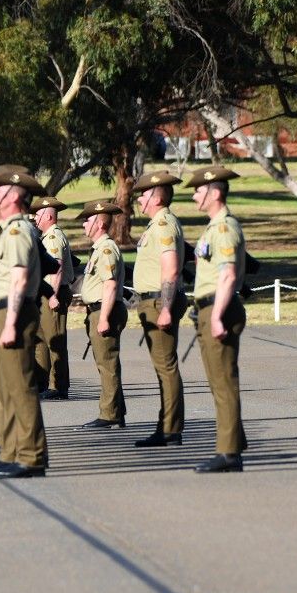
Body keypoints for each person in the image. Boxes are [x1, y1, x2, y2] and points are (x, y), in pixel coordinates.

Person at [0, 165, 48, 478]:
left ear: (14, 196)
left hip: (11, 312)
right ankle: (12, 451)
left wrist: (11, 323)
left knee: (21, 387)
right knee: (7, 388)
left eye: (0, 191)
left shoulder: (18, 230)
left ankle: (31, 456)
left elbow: (19, 278)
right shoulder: (3, 231)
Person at [185, 165, 248, 473]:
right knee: (217, 381)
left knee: (223, 383)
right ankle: (234, 441)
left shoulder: (223, 227)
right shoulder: (213, 227)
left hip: (219, 308)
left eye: (198, 190)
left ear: (214, 192)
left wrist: (218, 316)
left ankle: (229, 453)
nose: (195, 195)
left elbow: (228, 275)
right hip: (209, 307)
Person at [129, 171, 188, 447]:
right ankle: (165, 425)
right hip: (150, 302)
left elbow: (171, 268)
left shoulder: (164, 224)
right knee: (162, 367)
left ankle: (171, 429)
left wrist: (165, 308)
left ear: (156, 196)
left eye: (143, 193)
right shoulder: (157, 225)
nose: (139, 198)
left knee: (166, 367)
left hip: (158, 302)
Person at [77, 199, 128, 429]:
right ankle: (118, 410)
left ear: (98, 223)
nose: (83, 225)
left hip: (104, 310)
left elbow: (109, 285)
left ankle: (109, 414)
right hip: (99, 310)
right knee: (106, 363)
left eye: (86, 220)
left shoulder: (106, 249)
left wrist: (104, 317)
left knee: (107, 364)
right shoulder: (99, 248)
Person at [30, 196, 73, 400]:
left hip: (53, 294)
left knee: (55, 340)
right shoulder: (46, 237)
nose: (35, 218)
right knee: (41, 340)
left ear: (48, 215)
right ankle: (41, 382)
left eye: (38, 215)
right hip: (44, 293)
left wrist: (53, 296)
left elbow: (57, 268)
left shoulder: (54, 237)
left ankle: (59, 385)